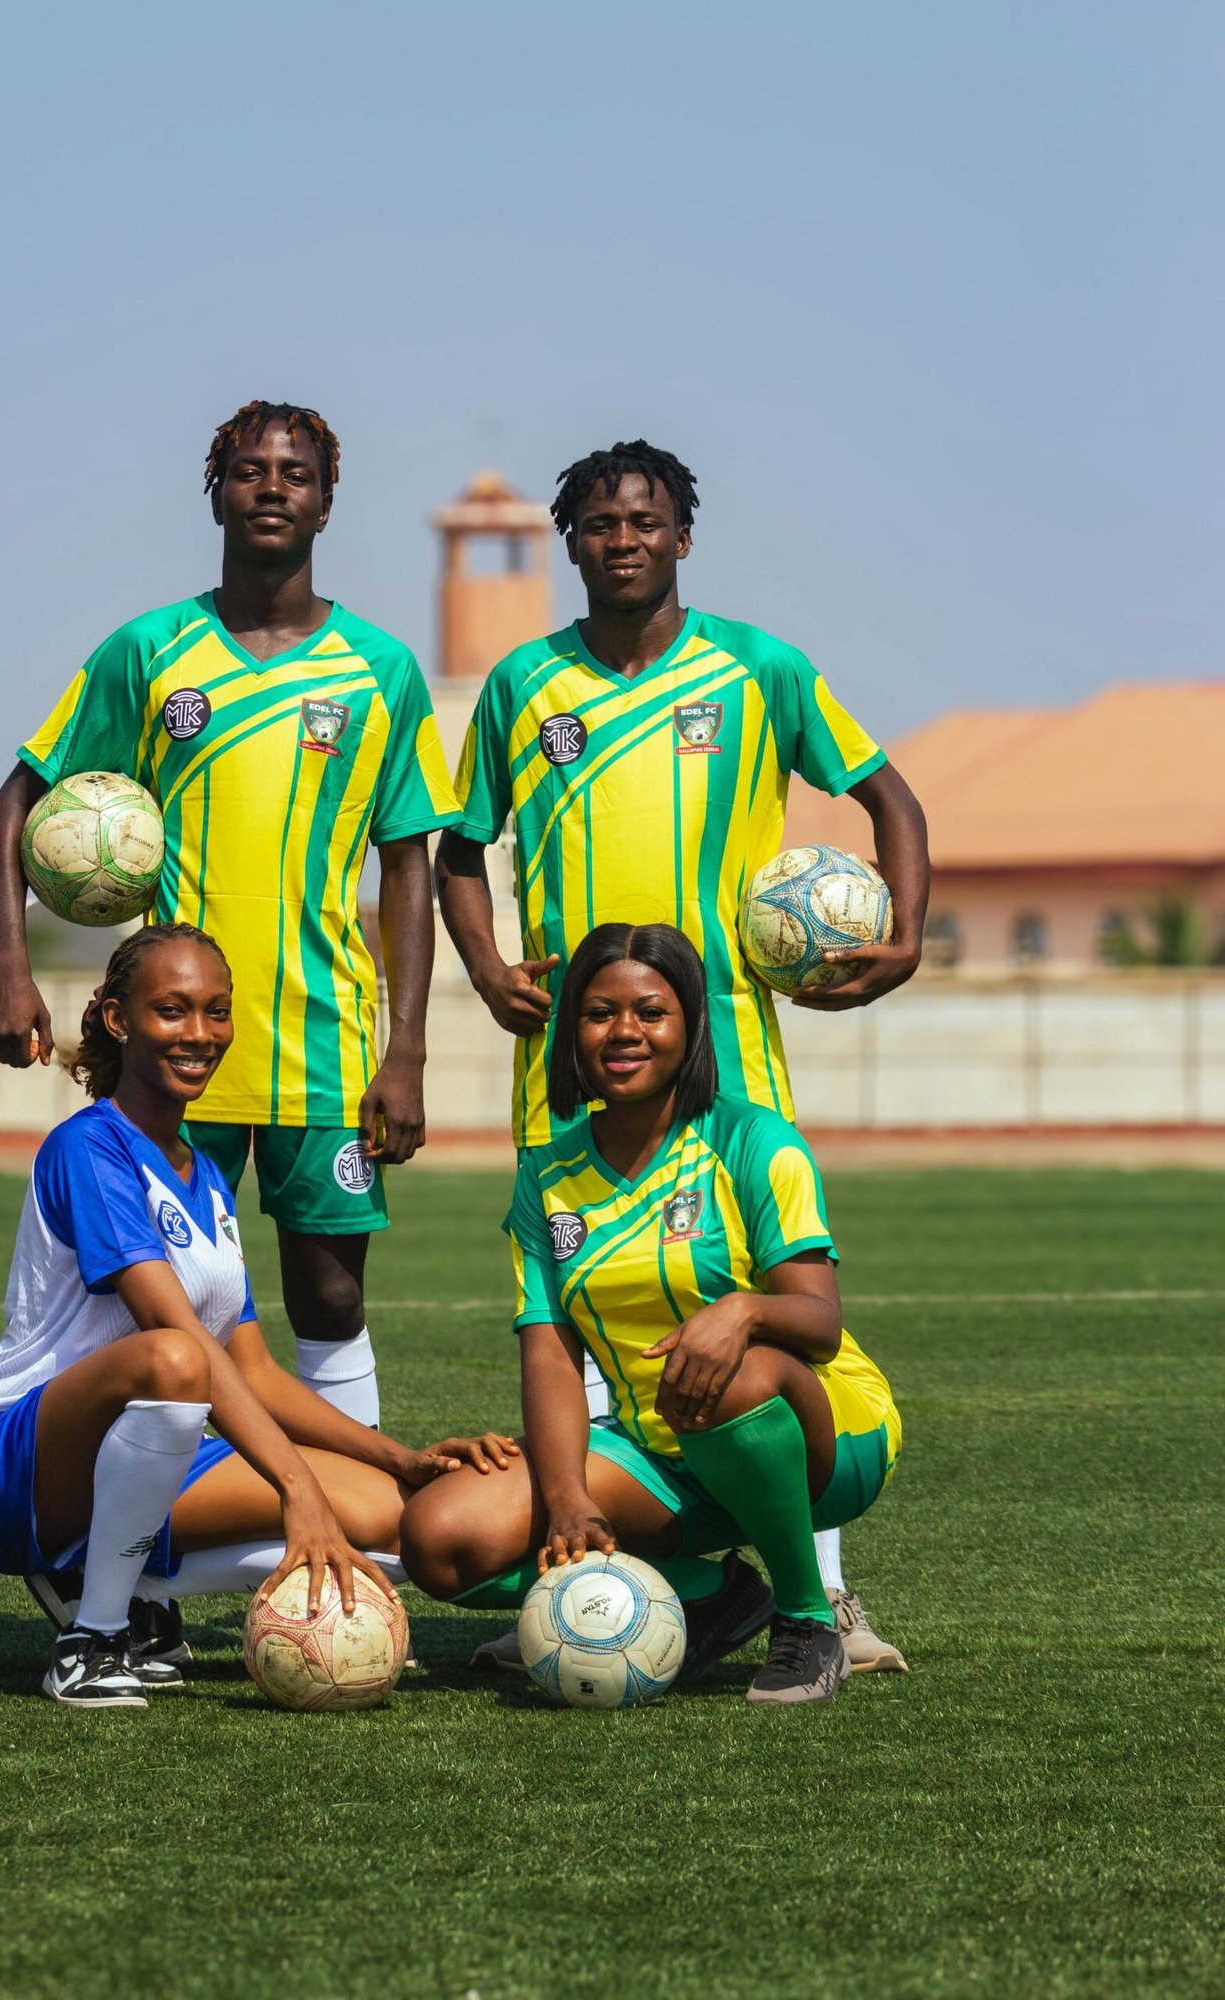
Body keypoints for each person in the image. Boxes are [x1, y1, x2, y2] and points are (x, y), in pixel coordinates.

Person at [435, 438, 926, 1671]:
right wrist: (487, 963)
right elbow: (455, 844)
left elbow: (889, 799)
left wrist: (905, 933)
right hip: (568, 1062)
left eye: (644, 520)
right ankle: (629, 1593)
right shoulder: (521, 686)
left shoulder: (759, 669)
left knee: (744, 1326)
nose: (621, 539)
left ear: (681, 536)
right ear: (571, 543)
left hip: (730, 1054)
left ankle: (824, 1595)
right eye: (599, 523)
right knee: (597, 1313)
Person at [0, 401, 461, 1443]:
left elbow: (409, 859)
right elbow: (16, 802)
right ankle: (142, 1555)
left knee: (331, 1298)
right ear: (216, 492)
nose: (273, 486)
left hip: (323, 1040)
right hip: (173, 1045)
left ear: (328, 501)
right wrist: (9, 966)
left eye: (296, 472)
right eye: (250, 470)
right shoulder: (152, 650)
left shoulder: (379, 670)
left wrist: (408, 1045)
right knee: (156, 1309)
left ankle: (361, 1540)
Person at [0, 923, 515, 1707]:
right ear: (117, 1019)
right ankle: (92, 1639)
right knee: (173, 1360)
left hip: (141, 1453)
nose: (199, 1034)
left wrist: (397, 1458)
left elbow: (255, 1371)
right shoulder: (88, 1148)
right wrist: (296, 1487)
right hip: (7, 1468)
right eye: (172, 1010)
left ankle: (105, 1576)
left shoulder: (204, 1176)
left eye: (216, 1011)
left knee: (401, 1518)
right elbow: (181, 1348)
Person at [400, 923, 901, 1705]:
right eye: (599, 1013)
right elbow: (550, 1350)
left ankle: (808, 1621)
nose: (624, 1032)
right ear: (571, 1031)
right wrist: (567, 1497)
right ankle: (709, 1595)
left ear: (690, 1027)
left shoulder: (753, 1141)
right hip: (657, 1452)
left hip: (822, 1434)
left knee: (719, 1377)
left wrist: (740, 1311)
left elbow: (820, 1323)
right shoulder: (547, 1175)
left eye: (650, 1012)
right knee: (442, 1538)